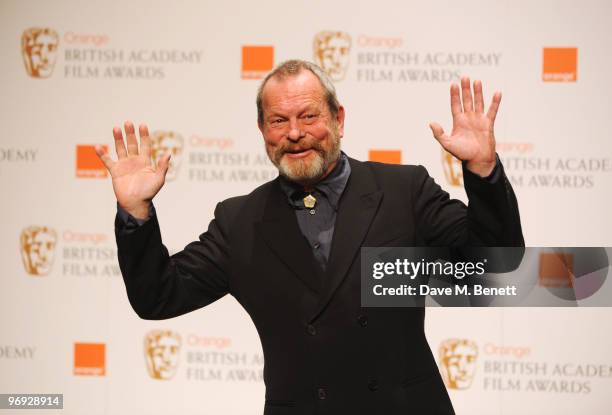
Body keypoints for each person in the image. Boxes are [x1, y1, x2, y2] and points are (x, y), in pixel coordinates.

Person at [96, 59, 523, 414]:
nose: (294, 133)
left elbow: (498, 269)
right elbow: (157, 297)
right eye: (279, 121)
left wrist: (483, 172)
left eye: (309, 116)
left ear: (338, 119)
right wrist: (136, 213)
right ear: (263, 131)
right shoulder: (239, 221)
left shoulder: (402, 190)